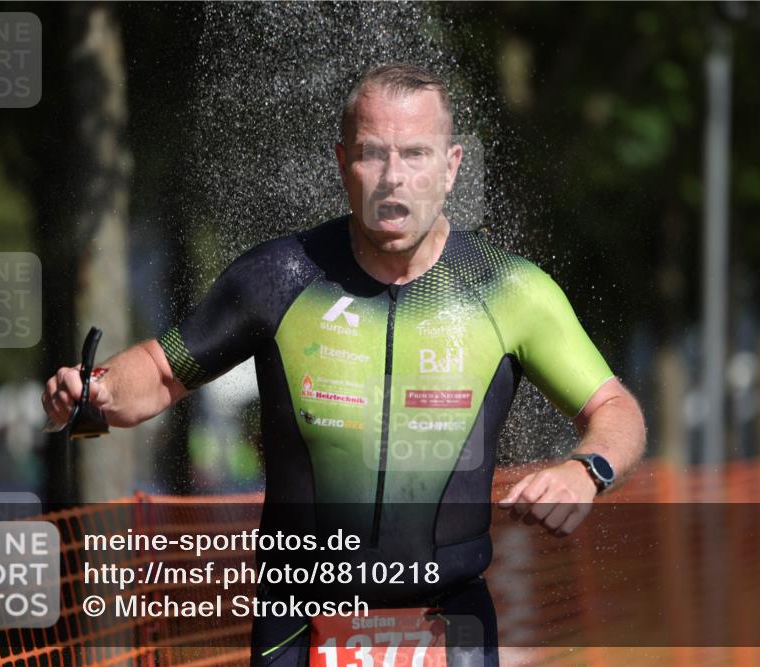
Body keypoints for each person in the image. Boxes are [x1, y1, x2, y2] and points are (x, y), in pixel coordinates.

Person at [42, 63, 647, 665]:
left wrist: (586, 469)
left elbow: (615, 410)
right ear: (341, 161)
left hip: (450, 618)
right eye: (372, 154)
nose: (393, 177)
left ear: (452, 166)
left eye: (415, 154)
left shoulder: (510, 289)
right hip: (299, 622)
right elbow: (161, 371)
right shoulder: (280, 276)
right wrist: (94, 392)